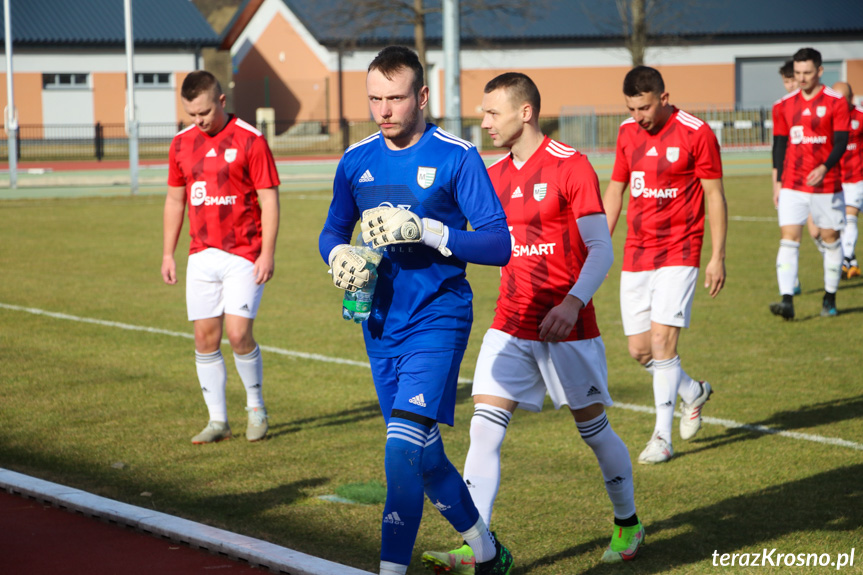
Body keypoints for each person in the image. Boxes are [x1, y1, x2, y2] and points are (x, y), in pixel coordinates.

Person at [420, 72, 643, 574]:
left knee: (594, 429)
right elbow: (464, 238)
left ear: (525, 112)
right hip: (511, 322)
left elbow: (602, 249)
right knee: (483, 429)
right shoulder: (492, 175)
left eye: (492, 112)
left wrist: (571, 303)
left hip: (568, 325)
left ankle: (628, 521)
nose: (484, 122)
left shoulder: (572, 166)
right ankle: (478, 544)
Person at [318, 46, 514, 575]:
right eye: (375, 98)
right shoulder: (356, 160)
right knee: (423, 456)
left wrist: (430, 232)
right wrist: (339, 256)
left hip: (439, 316)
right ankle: (489, 553)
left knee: (399, 453)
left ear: (422, 97)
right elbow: (334, 230)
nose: (384, 110)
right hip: (380, 323)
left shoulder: (457, 156)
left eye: (396, 98)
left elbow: (499, 245)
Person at [603, 66, 728, 465]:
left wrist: (717, 256)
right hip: (637, 253)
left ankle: (661, 436)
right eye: (631, 108)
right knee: (641, 352)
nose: (638, 115)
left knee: (662, 343)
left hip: (680, 250)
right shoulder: (626, 133)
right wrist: (598, 244)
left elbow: (715, 195)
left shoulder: (697, 132)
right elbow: (616, 190)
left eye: (644, 107)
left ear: (664, 96)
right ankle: (692, 391)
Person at [162, 70, 280, 444]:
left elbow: (269, 200)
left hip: (244, 253)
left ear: (222, 101)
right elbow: (175, 199)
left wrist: (267, 253)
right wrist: (168, 252)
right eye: (191, 114)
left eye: (204, 113)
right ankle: (218, 421)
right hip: (201, 255)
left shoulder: (251, 140)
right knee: (204, 338)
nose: (198, 121)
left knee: (238, 333)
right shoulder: (181, 144)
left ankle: (256, 407)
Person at [770, 47, 850, 319]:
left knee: (830, 239)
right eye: (797, 73)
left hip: (826, 185)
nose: (801, 78)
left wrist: (825, 166)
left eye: (807, 72)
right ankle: (787, 301)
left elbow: (841, 141)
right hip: (793, 183)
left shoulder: (836, 102)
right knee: (789, 239)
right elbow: (779, 144)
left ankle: (829, 298)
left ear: (819, 71)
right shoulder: (783, 105)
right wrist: (777, 182)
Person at [832, 81, 863, 279]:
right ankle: (848, 261)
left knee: (850, 218)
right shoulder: (829, 118)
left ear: (851, 98)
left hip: (857, 177)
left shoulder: (860, 117)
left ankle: (847, 259)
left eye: (842, 100)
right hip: (836, 179)